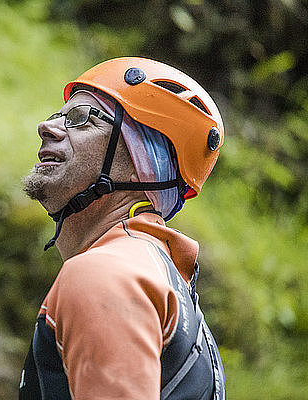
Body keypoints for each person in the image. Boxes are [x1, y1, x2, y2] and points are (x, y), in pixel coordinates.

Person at [19, 57, 226, 399]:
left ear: (140, 163)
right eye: (59, 115)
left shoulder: (105, 274)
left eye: (81, 119)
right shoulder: (162, 278)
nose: (47, 126)